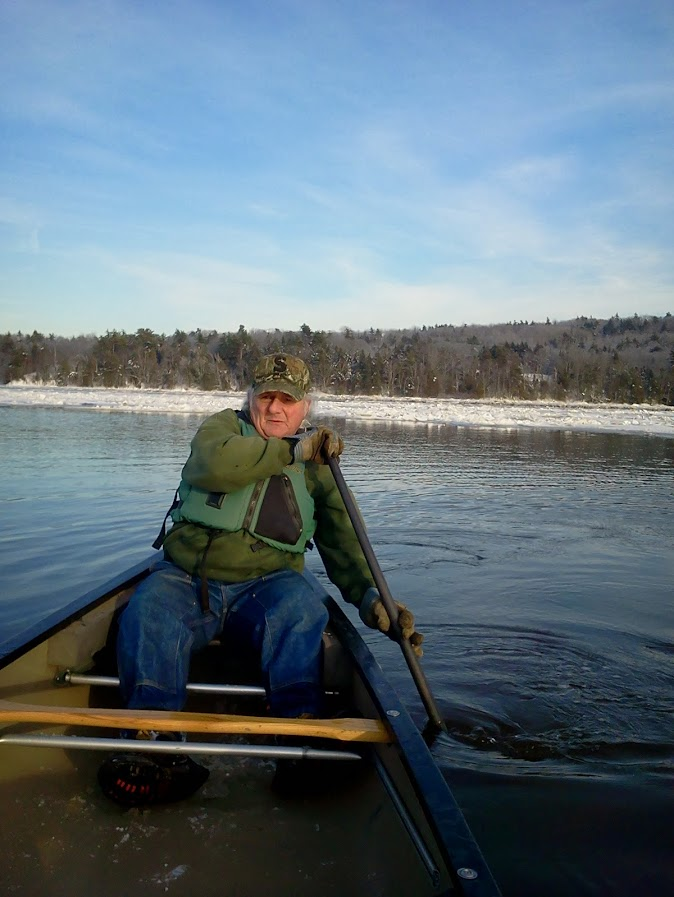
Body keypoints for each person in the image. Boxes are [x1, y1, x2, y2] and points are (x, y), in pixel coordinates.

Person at [98, 353, 423, 806]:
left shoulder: (318, 466)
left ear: (305, 406)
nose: (275, 408)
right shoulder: (221, 431)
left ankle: (299, 737)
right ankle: (152, 741)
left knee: (302, 608)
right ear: (250, 397)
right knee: (148, 611)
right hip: (189, 580)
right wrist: (295, 449)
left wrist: (373, 601)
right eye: (266, 396)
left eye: (287, 399)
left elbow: (345, 546)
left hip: (268, 586)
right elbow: (216, 465)